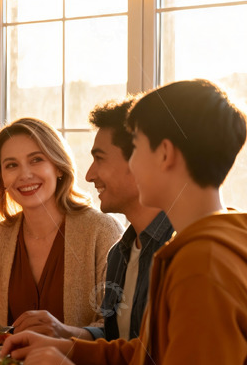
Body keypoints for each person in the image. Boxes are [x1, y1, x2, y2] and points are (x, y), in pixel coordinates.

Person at [3, 80, 247, 365]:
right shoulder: (213, 240)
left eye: (135, 149)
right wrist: (69, 350)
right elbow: (153, 359)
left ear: (165, 154)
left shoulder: (204, 262)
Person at [0, 117, 121, 332]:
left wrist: (65, 334)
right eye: (11, 165)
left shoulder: (101, 230)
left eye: (36, 160)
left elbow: (114, 325)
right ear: (1, 179)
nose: (25, 175)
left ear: (58, 167)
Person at [12, 99, 174, 340]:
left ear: (141, 160)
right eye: (11, 165)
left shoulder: (180, 251)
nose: (88, 175)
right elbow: (117, 346)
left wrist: (69, 364)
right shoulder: (119, 255)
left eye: (100, 158)